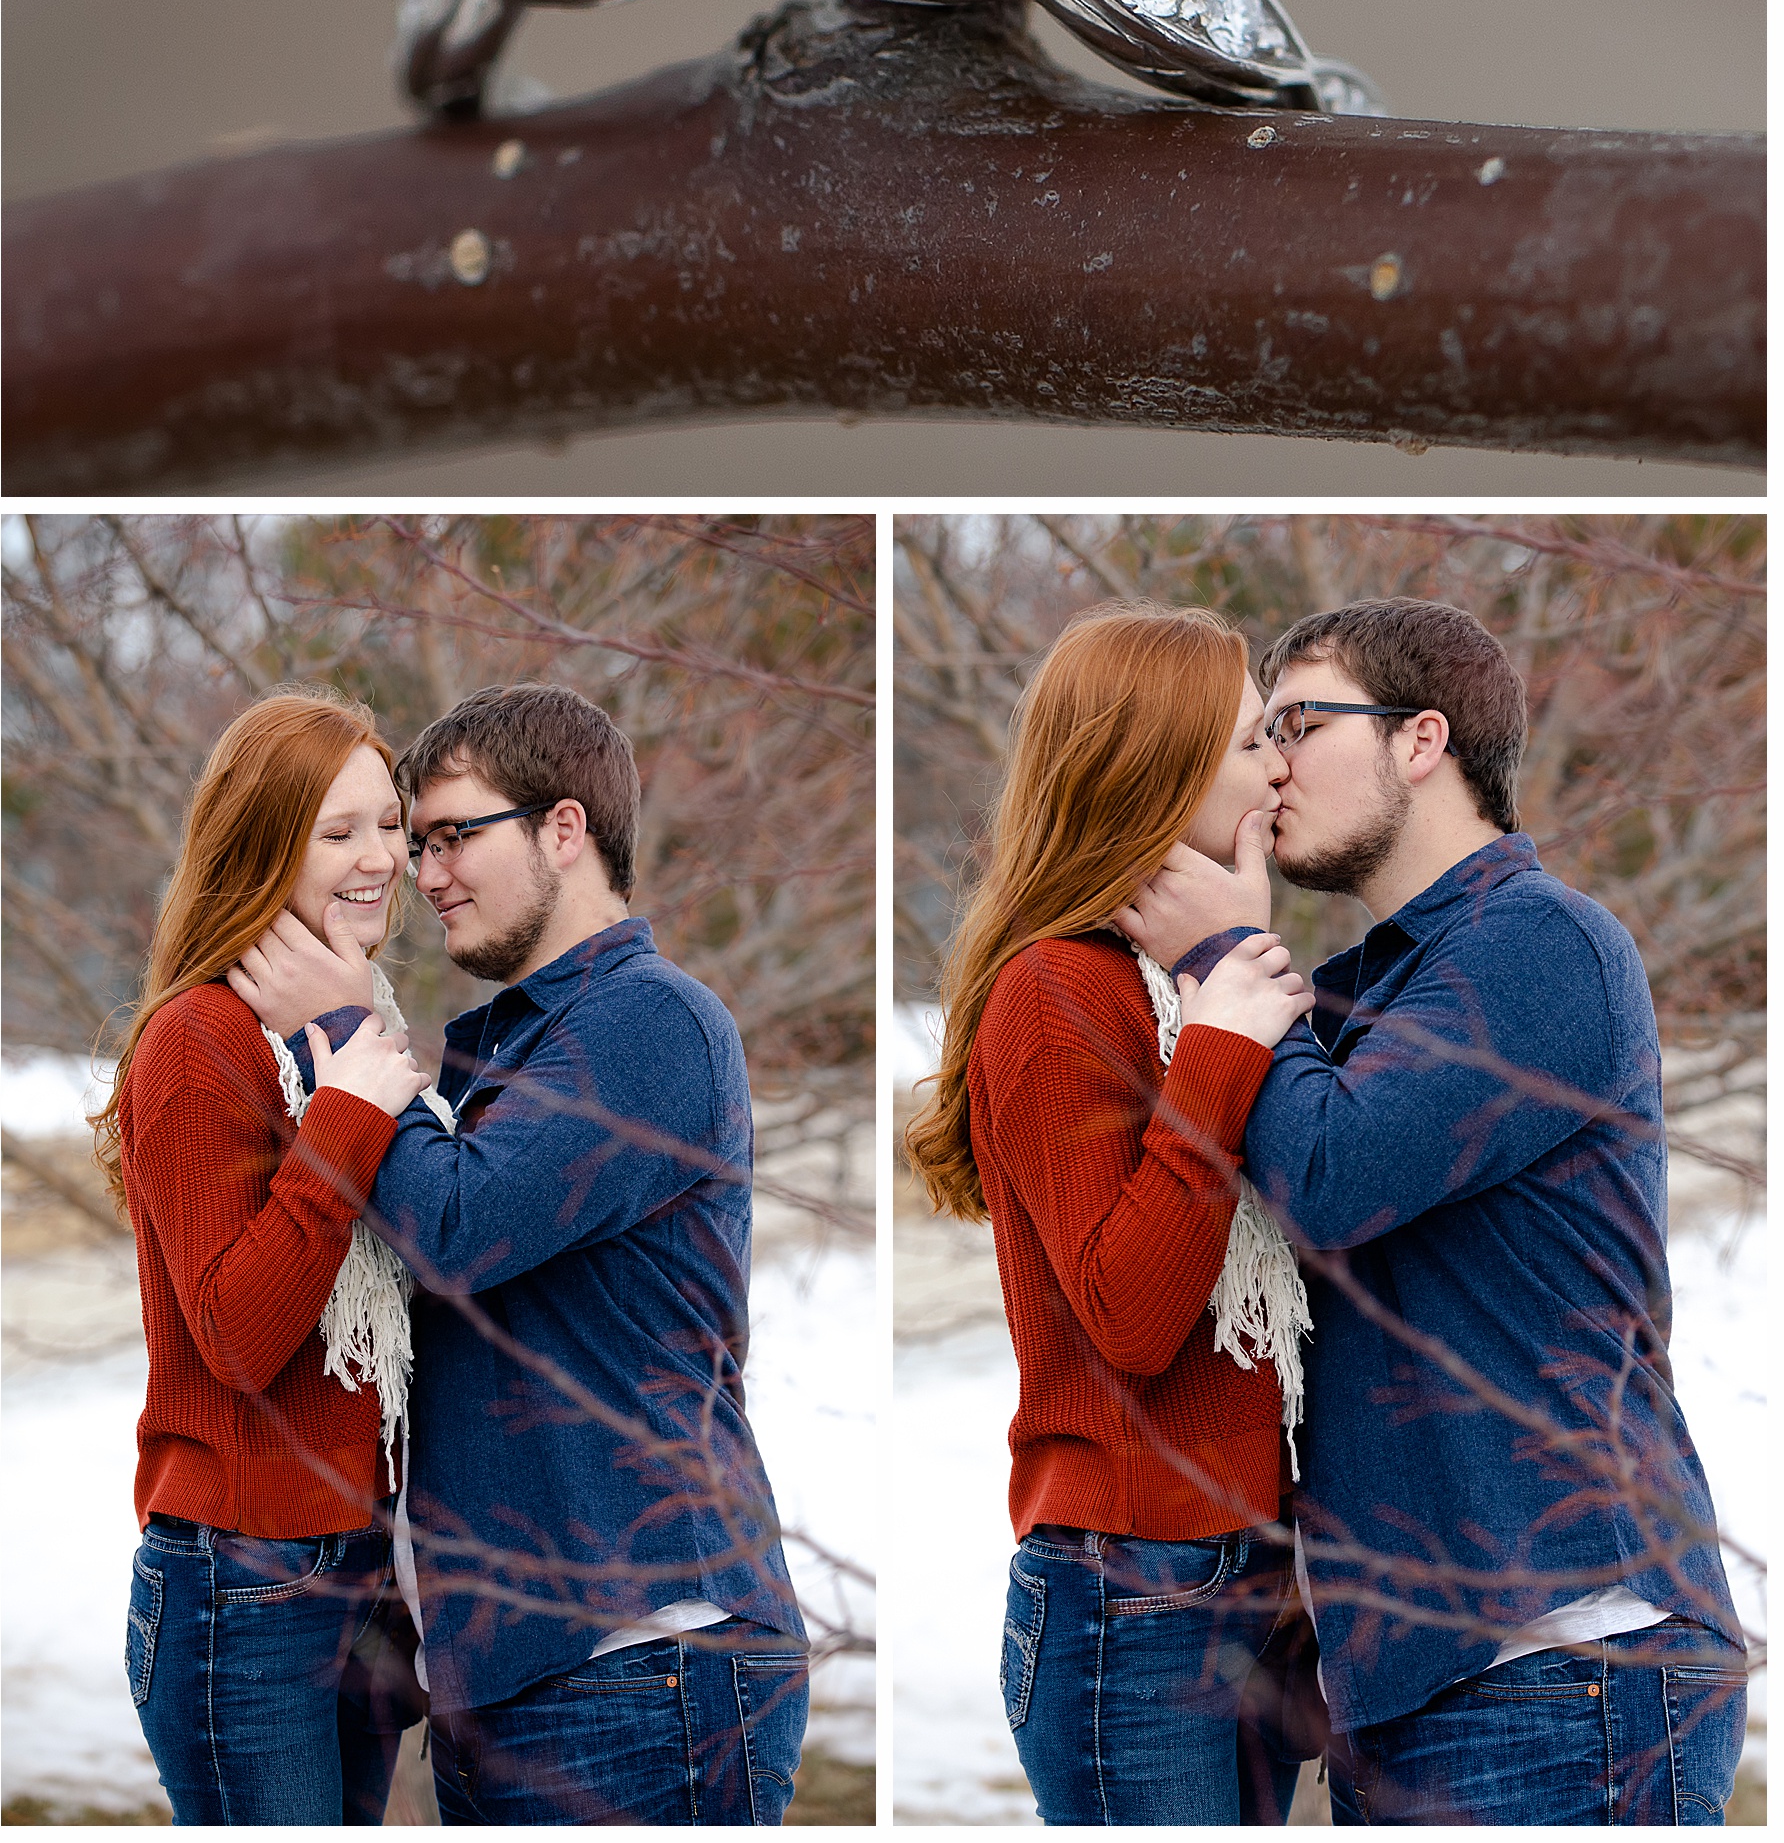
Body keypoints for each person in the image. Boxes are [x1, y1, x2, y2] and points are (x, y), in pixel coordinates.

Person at [1118, 596, 1747, 1826]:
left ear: (1422, 740)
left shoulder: (1545, 943)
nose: (1273, 762)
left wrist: (1227, 959)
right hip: (1434, 1674)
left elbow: (1334, 1179)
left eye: (1299, 719)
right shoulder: (1373, 989)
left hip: (1566, 1658)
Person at [228, 681, 809, 1826]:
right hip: (527, 1664)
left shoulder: (649, 1019)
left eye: (452, 835)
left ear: (563, 829)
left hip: (643, 1656)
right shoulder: (519, 1045)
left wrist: (343, 1034)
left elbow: (456, 1229)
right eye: (413, 838)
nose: (422, 871)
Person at [905, 602, 1319, 1825]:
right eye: (1253, 743)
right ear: (1159, 765)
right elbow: (1131, 1318)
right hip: (1133, 1591)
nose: (1282, 766)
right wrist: (1225, 1045)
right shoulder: (1057, 992)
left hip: (1249, 1571)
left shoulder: (1198, 982)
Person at [93, 693, 435, 1825]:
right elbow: (239, 1336)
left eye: (390, 823)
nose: (382, 856)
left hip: (354, 1569)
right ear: (261, 846)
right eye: (338, 833)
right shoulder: (201, 1040)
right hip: (241, 1581)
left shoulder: (352, 1022)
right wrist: (343, 1112)